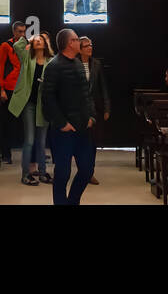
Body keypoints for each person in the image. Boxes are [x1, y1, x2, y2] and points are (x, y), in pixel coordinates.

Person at [40, 28, 96, 205]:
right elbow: (48, 99)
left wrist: (91, 117)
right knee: (63, 173)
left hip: (82, 127)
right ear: (69, 43)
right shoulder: (54, 66)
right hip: (64, 129)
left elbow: (86, 95)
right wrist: (61, 123)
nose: (80, 42)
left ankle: (72, 202)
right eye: (77, 39)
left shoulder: (78, 64)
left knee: (87, 170)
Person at [8, 31, 52, 185]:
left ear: (46, 44)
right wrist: (27, 37)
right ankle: (25, 174)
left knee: (42, 141)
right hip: (28, 104)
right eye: (36, 40)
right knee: (29, 140)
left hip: (43, 105)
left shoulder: (51, 61)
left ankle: (42, 173)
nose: (38, 41)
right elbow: (17, 45)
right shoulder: (27, 58)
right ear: (32, 44)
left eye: (41, 40)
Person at [79, 37, 110, 185]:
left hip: (95, 108)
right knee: (80, 142)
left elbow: (103, 87)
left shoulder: (97, 64)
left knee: (92, 143)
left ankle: (89, 172)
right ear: (80, 49)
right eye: (86, 46)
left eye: (91, 45)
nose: (90, 48)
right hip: (78, 108)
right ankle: (82, 171)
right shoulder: (74, 64)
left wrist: (106, 107)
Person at [0, 20, 26, 165]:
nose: (22, 34)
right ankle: (6, 154)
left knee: (23, 123)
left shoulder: (26, 45)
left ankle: (28, 156)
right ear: (14, 32)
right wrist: (0, 89)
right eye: (19, 31)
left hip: (22, 88)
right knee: (6, 123)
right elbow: (0, 67)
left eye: (23, 31)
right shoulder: (5, 46)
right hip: (8, 88)